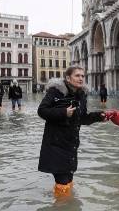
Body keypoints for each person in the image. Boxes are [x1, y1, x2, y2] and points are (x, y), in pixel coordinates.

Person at [37, 66, 107, 198]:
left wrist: (99, 117)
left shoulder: (81, 94)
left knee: (68, 180)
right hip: (55, 144)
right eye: (77, 75)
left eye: (82, 76)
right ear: (68, 78)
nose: (81, 78)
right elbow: (42, 111)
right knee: (63, 182)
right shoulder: (55, 92)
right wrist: (63, 112)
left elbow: (82, 118)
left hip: (71, 145)